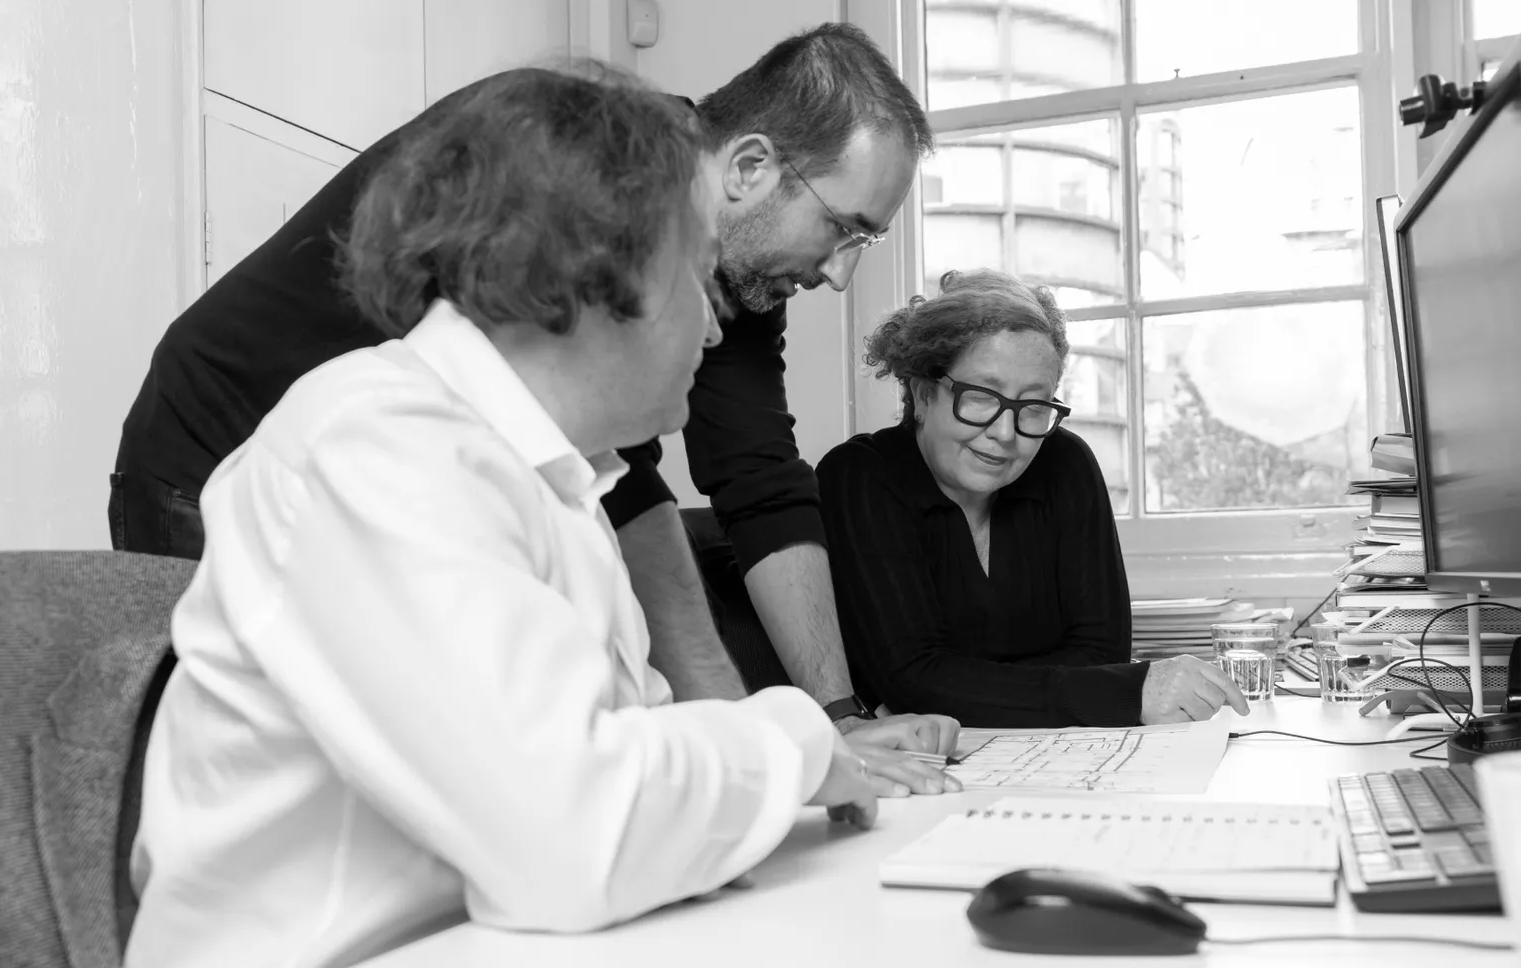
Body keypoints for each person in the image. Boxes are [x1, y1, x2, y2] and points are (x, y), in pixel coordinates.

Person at [123, 66, 887, 968]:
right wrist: (798, 740)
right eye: (698, 279)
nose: (716, 322)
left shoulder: (556, 484)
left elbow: (644, 762)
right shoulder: (373, 446)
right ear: (587, 276)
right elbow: (581, 833)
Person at [109, 25, 960, 790]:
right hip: (222, 452)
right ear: (749, 168)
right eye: (845, 230)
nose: (841, 275)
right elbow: (558, 799)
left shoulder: (724, 273)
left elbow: (757, 478)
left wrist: (828, 724)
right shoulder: (558, 171)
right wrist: (777, 755)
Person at [816, 269, 1251, 728]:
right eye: (982, 397)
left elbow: (1102, 652)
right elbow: (914, 681)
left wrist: (966, 688)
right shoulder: (860, 476)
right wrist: (1117, 690)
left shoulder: (1065, 462)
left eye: (1034, 406)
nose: (1006, 433)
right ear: (923, 393)